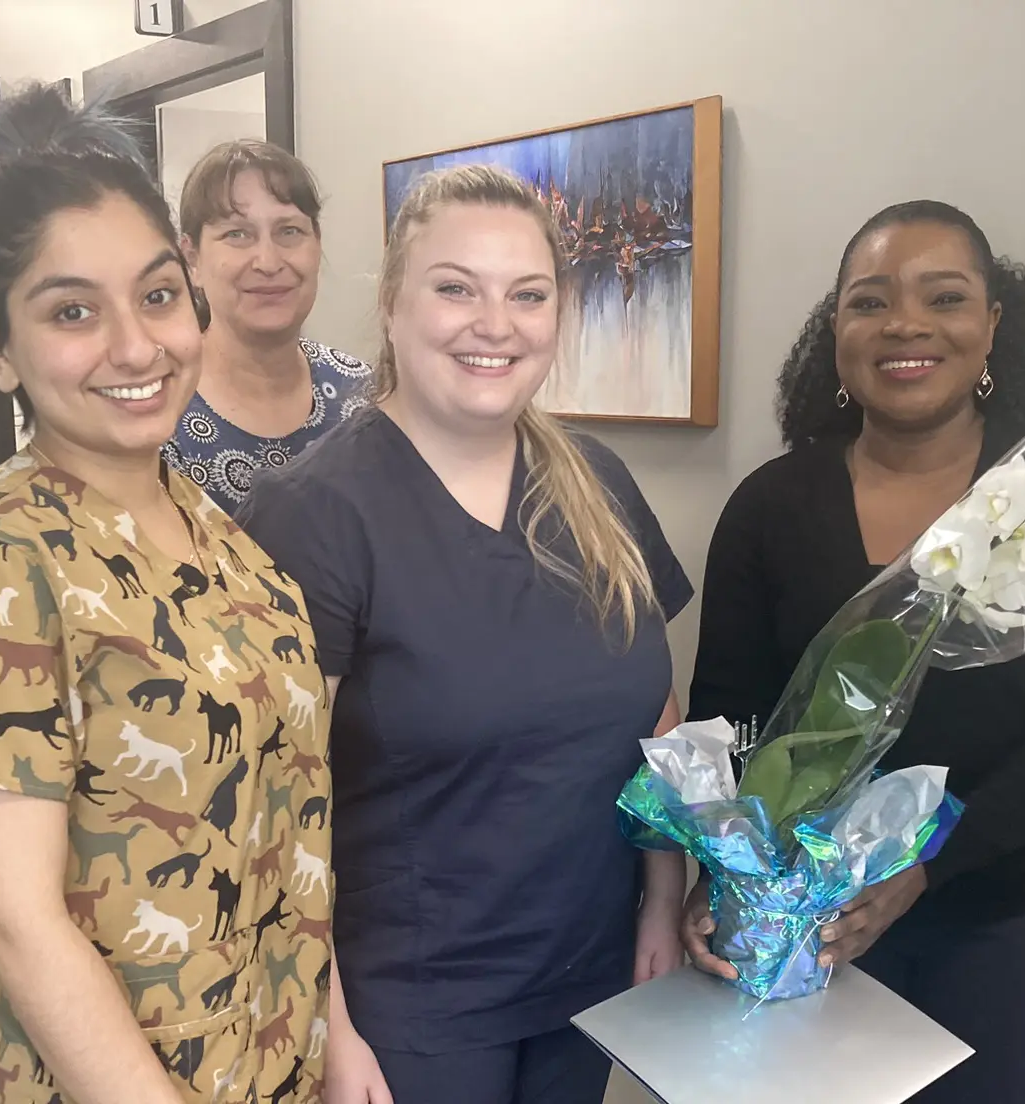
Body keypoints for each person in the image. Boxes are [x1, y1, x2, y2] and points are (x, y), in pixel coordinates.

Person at [0, 84, 330, 1104]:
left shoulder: (223, 534)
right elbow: (15, 922)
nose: (137, 346)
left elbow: (289, 828)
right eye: (73, 311)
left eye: (159, 294)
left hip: (271, 1063)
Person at [680, 200, 1025, 1104]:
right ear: (837, 331)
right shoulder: (771, 506)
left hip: (1003, 914)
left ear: (991, 326)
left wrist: (921, 865)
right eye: (870, 302)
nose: (905, 323)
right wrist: (729, 870)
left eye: (944, 297)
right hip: (799, 912)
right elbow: (728, 716)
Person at [237, 164, 693, 1104]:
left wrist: (661, 895)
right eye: (456, 289)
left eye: (528, 295)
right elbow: (269, 807)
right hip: (411, 1005)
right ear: (394, 305)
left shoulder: (598, 485)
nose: (496, 325)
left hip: (587, 972)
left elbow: (656, 711)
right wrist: (328, 1024)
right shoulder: (314, 516)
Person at [164, 139, 371, 510]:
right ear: (191, 259)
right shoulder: (157, 418)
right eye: (237, 234)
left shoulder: (364, 395)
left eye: (289, 231)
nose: (268, 261)